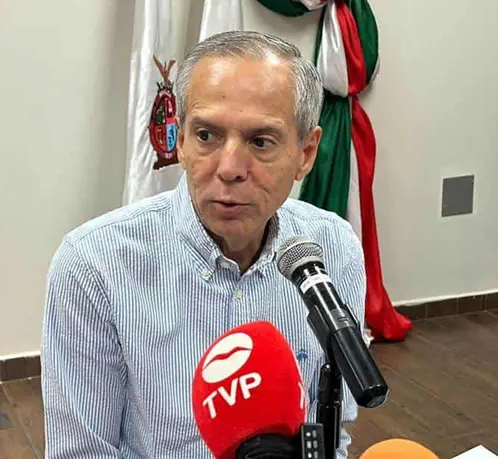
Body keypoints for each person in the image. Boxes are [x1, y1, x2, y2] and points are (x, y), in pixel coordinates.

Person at [41, 31, 366, 458]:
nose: (229, 168)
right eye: (207, 136)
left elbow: (331, 433)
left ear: (306, 153)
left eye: (260, 142)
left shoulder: (333, 249)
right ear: (180, 140)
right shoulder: (94, 265)